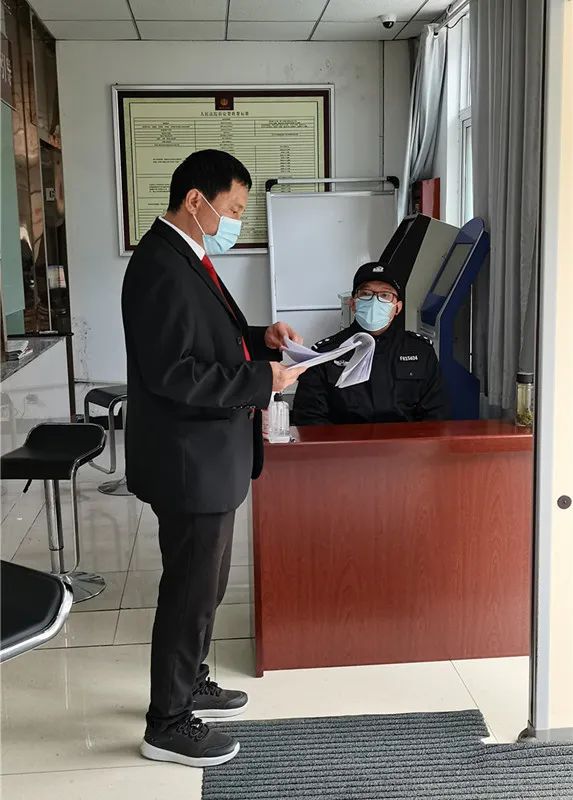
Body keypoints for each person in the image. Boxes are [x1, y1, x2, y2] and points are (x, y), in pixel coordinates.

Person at [122, 149, 305, 769]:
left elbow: (207, 342)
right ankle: (167, 723)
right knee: (189, 591)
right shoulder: (160, 265)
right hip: (188, 462)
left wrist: (259, 341)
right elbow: (174, 373)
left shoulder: (186, 255)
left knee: (208, 584)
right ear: (195, 200)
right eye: (233, 208)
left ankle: (191, 680)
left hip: (208, 458)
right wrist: (261, 381)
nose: (236, 222)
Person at [292, 261, 448, 425]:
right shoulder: (325, 354)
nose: (375, 301)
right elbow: (309, 419)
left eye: (385, 295)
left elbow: (436, 415)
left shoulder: (421, 351)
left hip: (406, 441)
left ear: (398, 307)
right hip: (345, 441)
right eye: (366, 294)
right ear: (353, 303)